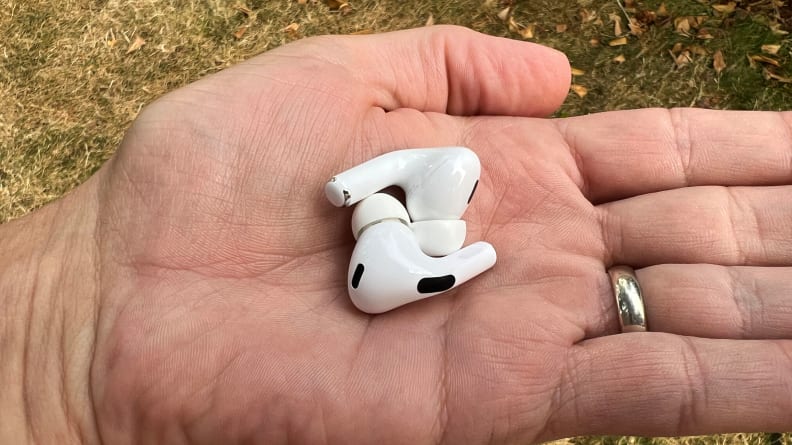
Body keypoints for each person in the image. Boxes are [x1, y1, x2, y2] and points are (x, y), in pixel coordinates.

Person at [1, 25, 790, 444]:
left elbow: (431, 245)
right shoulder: (421, 202)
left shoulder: (422, 194)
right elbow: (435, 255)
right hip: (406, 248)